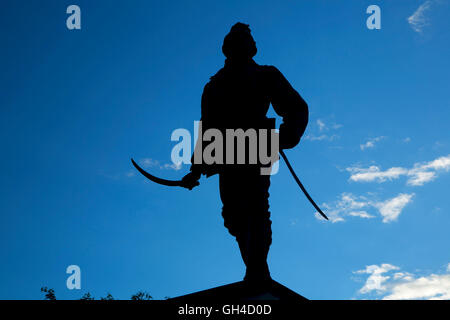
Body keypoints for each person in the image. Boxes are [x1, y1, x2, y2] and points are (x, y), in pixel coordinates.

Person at [181, 23, 309, 285]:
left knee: (256, 209)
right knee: (234, 217)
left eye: (245, 43)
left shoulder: (265, 75)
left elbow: (297, 107)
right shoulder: (214, 86)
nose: (242, 48)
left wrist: (284, 136)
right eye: (236, 43)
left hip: (256, 144)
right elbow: (207, 126)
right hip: (227, 150)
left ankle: (257, 271)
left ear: (251, 48)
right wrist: (196, 168)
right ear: (227, 49)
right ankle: (256, 269)